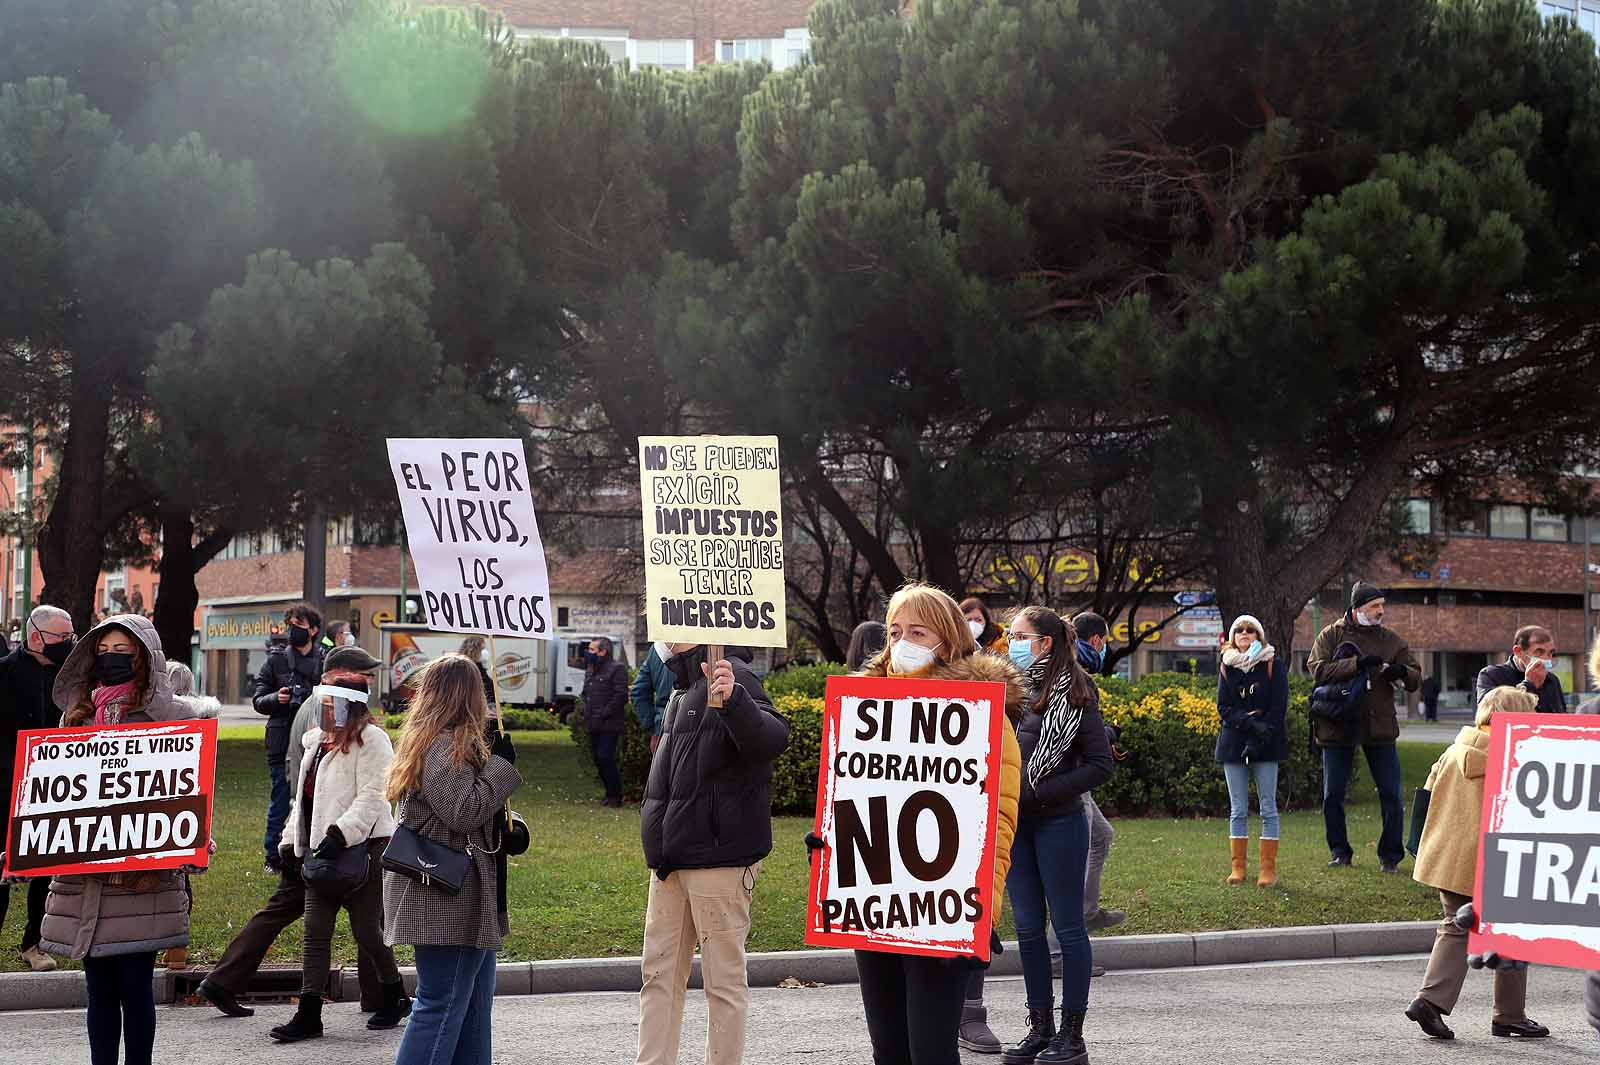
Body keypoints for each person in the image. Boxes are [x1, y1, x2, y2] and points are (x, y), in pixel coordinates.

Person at [847, 584, 1021, 1065]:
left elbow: (1000, 819)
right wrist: (832, 845)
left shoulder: (980, 712)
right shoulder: (865, 709)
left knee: (931, 1053)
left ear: (946, 639)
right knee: (889, 1050)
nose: (902, 642)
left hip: (943, 906)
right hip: (874, 898)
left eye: (917, 631)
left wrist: (983, 910)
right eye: (895, 631)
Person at [38, 615, 219, 1065]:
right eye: (102, 651)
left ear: (143, 657)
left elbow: (185, 788)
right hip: (87, 876)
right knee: (98, 989)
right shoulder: (75, 716)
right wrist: (30, 842)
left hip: (143, 879)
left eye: (122, 651)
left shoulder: (172, 718)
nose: (111, 659)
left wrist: (194, 836)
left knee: (136, 988)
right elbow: (51, 792)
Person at [198, 646, 389, 1019]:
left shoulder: (345, 716)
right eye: (362, 676)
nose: (367, 684)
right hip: (326, 842)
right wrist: (299, 839)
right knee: (362, 921)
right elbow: (307, 781)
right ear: (337, 676)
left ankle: (225, 981)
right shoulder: (319, 715)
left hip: (329, 838)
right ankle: (377, 996)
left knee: (351, 921)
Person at [636, 643, 790, 1065]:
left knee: (722, 984)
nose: (663, 634)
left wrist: (736, 700)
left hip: (718, 861)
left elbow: (773, 739)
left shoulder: (734, 673)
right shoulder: (682, 687)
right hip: (671, 863)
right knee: (659, 977)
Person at [385, 654, 522, 1065]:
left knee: (472, 1012)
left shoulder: (444, 742)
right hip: (447, 897)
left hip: (460, 895)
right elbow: (463, 811)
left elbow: (465, 812)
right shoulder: (442, 745)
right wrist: (501, 767)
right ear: (468, 695)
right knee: (441, 1007)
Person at [268, 669, 408, 1042]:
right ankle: (309, 1012)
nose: (324, 709)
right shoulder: (317, 743)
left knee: (367, 931)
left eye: (331, 703)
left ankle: (394, 993)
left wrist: (341, 833)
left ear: (351, 706)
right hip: (320, 854)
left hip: (365, 851)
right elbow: (304, 802)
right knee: (315, 933)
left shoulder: (373, 741)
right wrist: (289, 842)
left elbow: (374, 794)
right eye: (323, 702)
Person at [1406, 686, 1549, 1041]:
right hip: (1497, 858)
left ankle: (1430, 1000)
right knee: (1514, 931)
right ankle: (1509, 1015)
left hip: (1448, 858)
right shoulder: (1516, 757)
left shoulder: (1454, 750)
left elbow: (1425, 797)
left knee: (1455, 925)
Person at [1003, 606, 1114, 1065]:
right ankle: (1040, 1028)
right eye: (1010, 635)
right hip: (1016, 823)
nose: (1011, 642)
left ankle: (1072, 1035)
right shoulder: (1009, 690)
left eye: (1020, 635)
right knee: (1027, 930)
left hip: (1059, 821)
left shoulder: (1076, 690)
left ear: (1045, 643)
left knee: (1067, 928)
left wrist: (1043, 793)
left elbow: (1099, 765)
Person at [1308, 581, 1419, 873]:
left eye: (1382, 606)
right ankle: (1339, 852)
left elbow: (1416, 677)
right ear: (1358, 609)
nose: (1381, 611)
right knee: (1333, 794)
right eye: (1374, 606)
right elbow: (1317, 670)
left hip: (1379, 725)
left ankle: (1390, 857)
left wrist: (1401, 671)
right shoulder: (1331, 635)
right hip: (1338, 723)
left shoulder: (1391, 640)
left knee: (1392, 794)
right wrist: (1355, 665)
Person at [0, 606, 74, 972]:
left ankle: (34, 943)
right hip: (6, 786)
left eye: (71, 636)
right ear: (36, 638)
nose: (69, 644)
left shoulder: (72, 680)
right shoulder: (4, 673)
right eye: (62, 638)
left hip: (52, 788)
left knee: (44, 869)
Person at [1214, 614, 1288, 888]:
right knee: (1238, 809)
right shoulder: (1226, 665)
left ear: (1259, 635)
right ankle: (1238, 867)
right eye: (1240, 630)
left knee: (1268, 807)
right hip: (1233, 743)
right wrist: (1248, 723)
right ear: (1233, 637)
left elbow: (1279, 706)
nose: (1244, 633)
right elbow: (1224, 707)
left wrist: (1260, 732)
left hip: (1267, 742)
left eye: (1251, 630)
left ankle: (1267, 870)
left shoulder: (1272, 664)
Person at [252, 602, 326, 874]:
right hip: (282, 740)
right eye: (290, 625)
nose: (294, 630)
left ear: (314, 630)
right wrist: (277, 698)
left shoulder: (325, 660)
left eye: (300, 626)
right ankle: (274, 857)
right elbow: (258, 699)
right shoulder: (276, 661)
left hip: (316, 738)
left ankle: (307, 852)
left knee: (314, 799)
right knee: (281, 799)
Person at [1070, 611, 1122, 933]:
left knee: (1101, 836)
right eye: (1106, 642)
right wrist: (1108, 734)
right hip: (1073, 776)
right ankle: (1061, 949)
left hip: (1071, 774)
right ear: (1096, 640)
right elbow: (1078, 730)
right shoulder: (1078, 676)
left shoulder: (1075, 670)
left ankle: (1087, 911)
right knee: (1076, 854)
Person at [1475, 625, 1566, 714]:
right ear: (1518, 652)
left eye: (1551, 653)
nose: (1547, 659)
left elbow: (1560, 716)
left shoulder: (1551, 680)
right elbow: (1487, 714)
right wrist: (1528, 685)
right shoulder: (1491, 675)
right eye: (1539, 652)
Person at [582, 636, 629, 807]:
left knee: (605, 757)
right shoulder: (591, 669)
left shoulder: (616, 669)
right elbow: (586, 693)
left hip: (609, 724)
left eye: (592, 650)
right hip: (593, 724)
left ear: (603, 651)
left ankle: (615, 795)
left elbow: (620, 695)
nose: (588, 653)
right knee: (597, 758)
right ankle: (609, 794)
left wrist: (604, 712)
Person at [631, 641, 674, 754]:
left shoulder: (658, 647)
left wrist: (654, 728)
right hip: (703, 728)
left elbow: (638, 691)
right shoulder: (710, 643)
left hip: (663, 727)